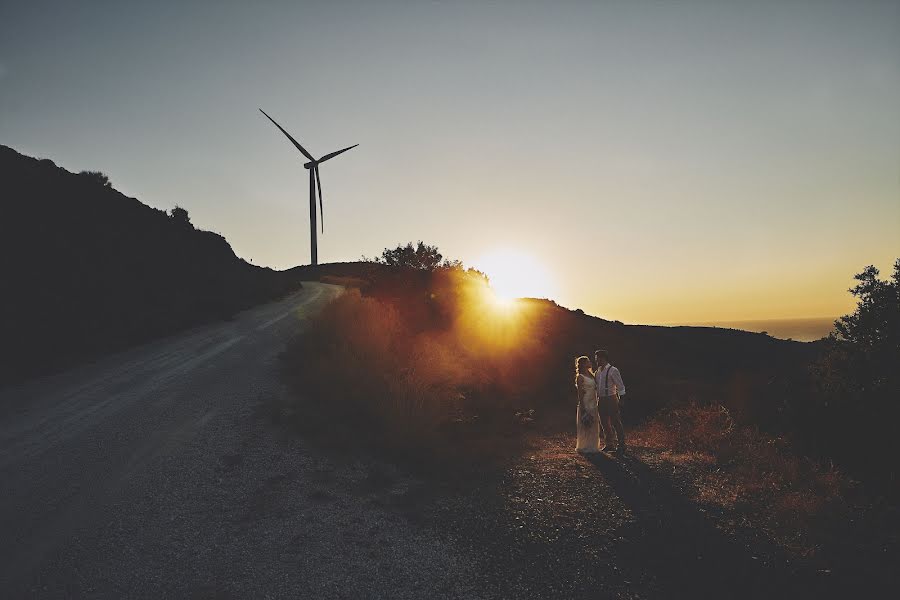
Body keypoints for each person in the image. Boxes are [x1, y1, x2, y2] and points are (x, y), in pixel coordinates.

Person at [594, 349, 627, 453]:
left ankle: (621, 445)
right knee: (604, 423)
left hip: (611, 398)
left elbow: (620, 385)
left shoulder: (613, 370)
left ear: (602, 358)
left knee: (616, 422)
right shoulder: (597, 372)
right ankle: (609, 444)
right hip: (601, 399)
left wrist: (621, 398)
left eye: (597, 358)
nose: (596, 360)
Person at [574, 356, 601, 453]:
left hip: (593, 401)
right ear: (583, 364)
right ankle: (585, 446)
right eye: (588, 361)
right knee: (586, 424)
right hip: (586, 401)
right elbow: (580, 394)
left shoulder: (591, 375)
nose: (590, 362)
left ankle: (593, 445)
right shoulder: (580, 377)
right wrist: (582, 407)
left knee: (593, 423)